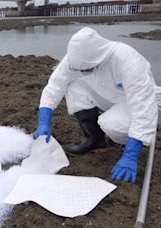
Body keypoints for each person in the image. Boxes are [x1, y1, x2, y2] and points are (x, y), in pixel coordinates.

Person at [33, 27, 160, 184]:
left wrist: (131, 156)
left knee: (111, 124)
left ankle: (128, 142)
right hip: (107, 95)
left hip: (136, 101)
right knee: (74, 87)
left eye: (88, 68)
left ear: (99, 58)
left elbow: (143, 107)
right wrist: (43, 123)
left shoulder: (128, 61)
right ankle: (96, 140)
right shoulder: (75, 58)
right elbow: (54, 87)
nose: (85, 71)